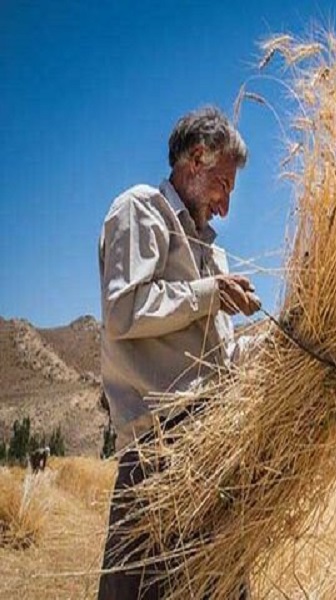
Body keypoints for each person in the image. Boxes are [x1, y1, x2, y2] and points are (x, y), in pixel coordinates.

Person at [97, 106, 258, 599]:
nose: (225, 206)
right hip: (158, 455)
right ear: (195, 158)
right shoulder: (141, 210)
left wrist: (287, 341)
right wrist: (209, 293)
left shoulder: (212, 253)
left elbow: (220, 361)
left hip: (210, 453)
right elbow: (123, 310)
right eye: (223, 184)